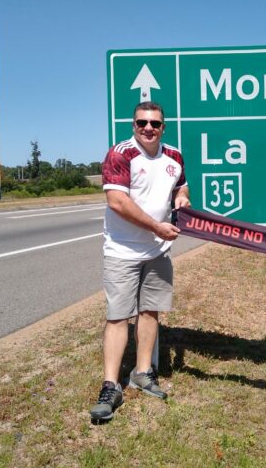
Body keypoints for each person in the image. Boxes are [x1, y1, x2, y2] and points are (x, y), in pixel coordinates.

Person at [90, 101, 191, 423]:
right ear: (133, 124)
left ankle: (142, 371)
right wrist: (156, 226)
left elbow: (181, 185)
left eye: (155, 123)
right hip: (123, 250)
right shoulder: (120, 154)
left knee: (150, 312)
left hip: (158, 251)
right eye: (141, 122)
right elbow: (117, 202)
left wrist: (182, 198)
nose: (148, 128)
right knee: (118, 317)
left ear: (164, 126)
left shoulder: (174, 156)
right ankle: (110, 385)